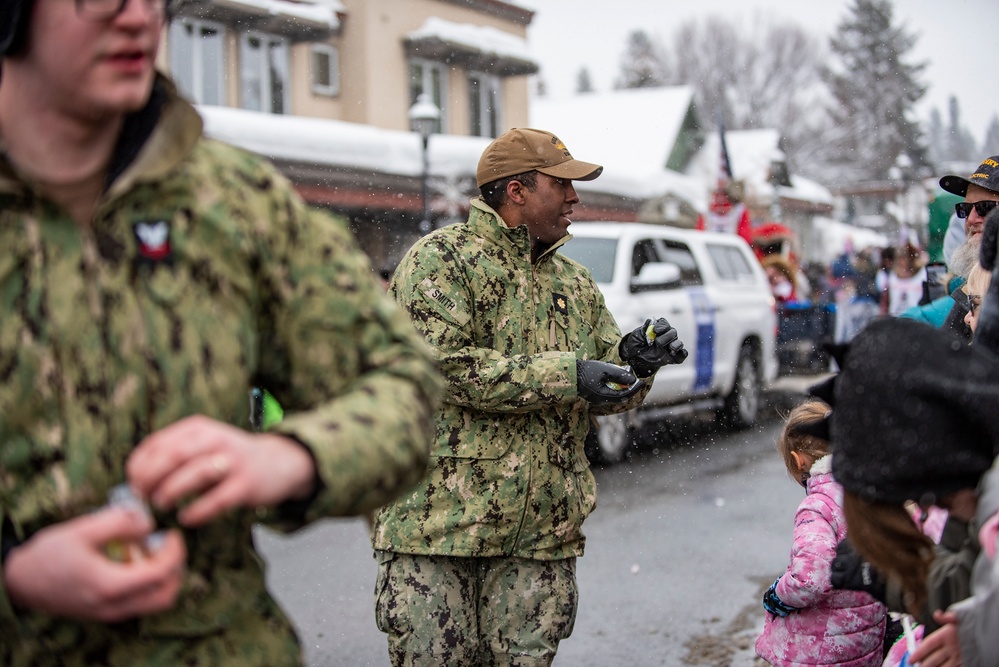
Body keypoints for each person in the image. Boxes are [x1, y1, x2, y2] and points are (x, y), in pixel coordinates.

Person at [0, 0, 442, 664]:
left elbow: (404, 384)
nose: (138, 18)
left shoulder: (231, 201)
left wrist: (289, 457)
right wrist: (14, 574)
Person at [372, 127, 688, 665]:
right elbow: (445, 367)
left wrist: (636, 363)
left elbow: (602, 389)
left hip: (539, 538)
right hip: (438, 533)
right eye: (561, 184)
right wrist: (569, 374)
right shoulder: (441, 261)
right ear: (516, 191)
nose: (574, 198)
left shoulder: (574, 282)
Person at [755, 400, 886, 667]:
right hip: (864, 643)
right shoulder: (870, 491)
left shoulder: (818, 506)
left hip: (819, 652)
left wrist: (777, 595)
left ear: (798, 460)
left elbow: (810, 580)